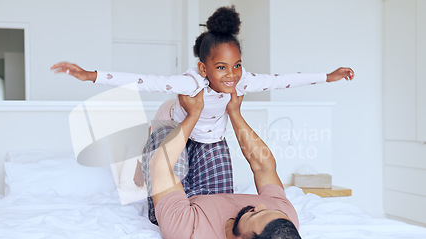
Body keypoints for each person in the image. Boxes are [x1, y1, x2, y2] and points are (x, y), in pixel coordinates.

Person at [51, 6, 354, 225]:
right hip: (174, 128)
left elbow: (282, 79)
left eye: (236, 65)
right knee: (165, 197)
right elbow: (146, 81)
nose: (232, 74)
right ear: (203, 68)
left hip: (209, 138)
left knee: (218, 201)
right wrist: (91, 75)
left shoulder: (242, 80)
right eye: (221, 67)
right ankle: (144, 161)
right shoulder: (191, 83)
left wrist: (328, 76)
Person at [147, 89, 304, 239]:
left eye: (254, 214)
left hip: (183, 211)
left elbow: (161, 167)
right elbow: (264, 167)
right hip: (214, 196)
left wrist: (193, 115)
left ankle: (145, 154)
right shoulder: (283, 220)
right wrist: (235, 112)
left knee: (164, 138)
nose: (260, 205)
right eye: (269, 209)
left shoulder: (187, 233)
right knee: (210, 136)